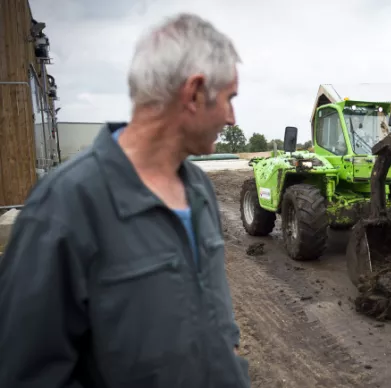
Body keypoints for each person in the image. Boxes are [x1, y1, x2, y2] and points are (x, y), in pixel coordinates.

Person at [0, 13, 250, 388]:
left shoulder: (198, 188)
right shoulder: (63, 207)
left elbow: (216, 320)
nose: (232, 117)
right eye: (229, 98)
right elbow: (27, 374)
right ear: (195, 93)